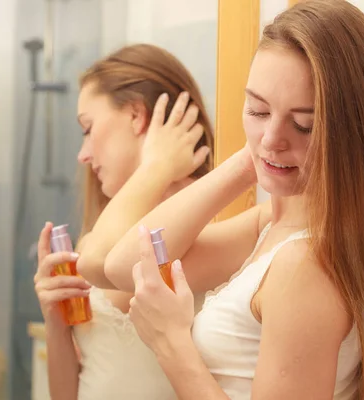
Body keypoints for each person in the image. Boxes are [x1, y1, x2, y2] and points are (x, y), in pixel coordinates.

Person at [105, 1, 364, 399]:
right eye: (258, 109)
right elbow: (124, 266)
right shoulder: (274, 225)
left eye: (303, 125)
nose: (273, 137)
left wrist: (170, 343)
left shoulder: (306, 263)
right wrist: (252, 161)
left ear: (352, 135)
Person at [33, 43, 214, 399]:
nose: (83, 154)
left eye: (88, 128)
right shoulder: (102, 232)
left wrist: (155, 167)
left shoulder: (208, 224)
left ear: (136, 115)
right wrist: (55, 319)